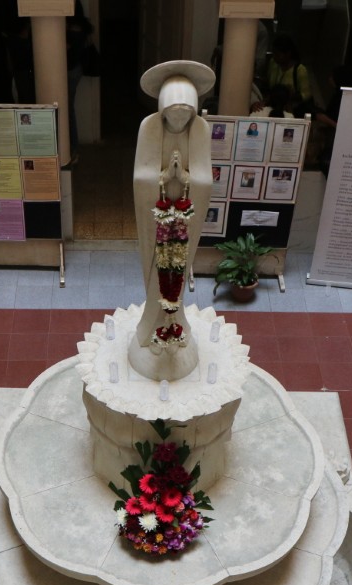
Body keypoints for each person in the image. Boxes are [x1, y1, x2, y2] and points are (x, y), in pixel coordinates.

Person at [131, 60, 215, 382]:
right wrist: (165, 177)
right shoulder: (148, 127)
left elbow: (205, 180)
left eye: (185, 117)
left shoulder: (201, 130)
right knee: (156, 267)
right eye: (173, 116)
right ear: (162, 112)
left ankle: (176, 326)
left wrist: (187, 179)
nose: (179, 122)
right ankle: (152, 328)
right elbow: (141, 177)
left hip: (185, 216)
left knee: (179, 268)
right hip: (156, 214)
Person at [65, 1, 93, 161]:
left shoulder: (70, 30)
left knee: (67, 110)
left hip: (70, 70)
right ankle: (72, 148)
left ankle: (73, 149)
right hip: (78, 69)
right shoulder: (83, 27)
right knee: (68, 109)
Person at [260, 34, 311, 117]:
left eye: (278, 54)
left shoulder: (300, 70)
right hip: (272, 106)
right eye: (274, 53)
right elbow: (268, 81)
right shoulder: (273, 63)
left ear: (288, 54)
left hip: (291, 109)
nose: (275, 57)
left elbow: (306, 94)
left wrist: (286, 97)